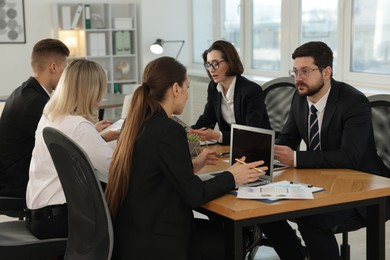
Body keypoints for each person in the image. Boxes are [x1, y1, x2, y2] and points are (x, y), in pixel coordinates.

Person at [104, 56, 268, 260]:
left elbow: (154, 171)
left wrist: (192, 165)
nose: (188, 95)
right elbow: (194, 195)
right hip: (159, 240)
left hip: (135, 232)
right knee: (234, 237)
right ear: (175, 88)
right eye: (187, 87)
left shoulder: (140, 122)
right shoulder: (168, 130)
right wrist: (232, 175)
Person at [264, 41, 390, 260]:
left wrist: (295, 158)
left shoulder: (353, 102)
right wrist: (266, 154)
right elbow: (288, 138)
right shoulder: (299, 97)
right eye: (295, 72)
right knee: (263, 209)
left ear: (326, 72)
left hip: (362, 187)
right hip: (321, 180)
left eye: (305, 71)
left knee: (311, 219)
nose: (298, 78)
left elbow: (349, 157)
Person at [25, 59, 114, 239]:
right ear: (92, 91)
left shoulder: (50, 115)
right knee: (123, 215)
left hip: (37, 213)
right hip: (56, 220)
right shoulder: (78, 126)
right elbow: (115, 169)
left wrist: (94, 134)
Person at [0, 39, 69, 198]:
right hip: (17, 184)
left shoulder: (24, 92)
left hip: (10, 177)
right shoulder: (35, 102)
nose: (66, 77)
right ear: (53, 67)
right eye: (65, 69)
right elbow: (62, 143)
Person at [190, 40, 271, 145]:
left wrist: (218, 136)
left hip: (257, 147)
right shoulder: (214, 87)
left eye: (215, 63)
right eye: (208, 64)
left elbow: (251, 133)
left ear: (230, 62)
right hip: (231, 146)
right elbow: (207, 120)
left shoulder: (251, 90)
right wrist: (188, 131)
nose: (211, 69)